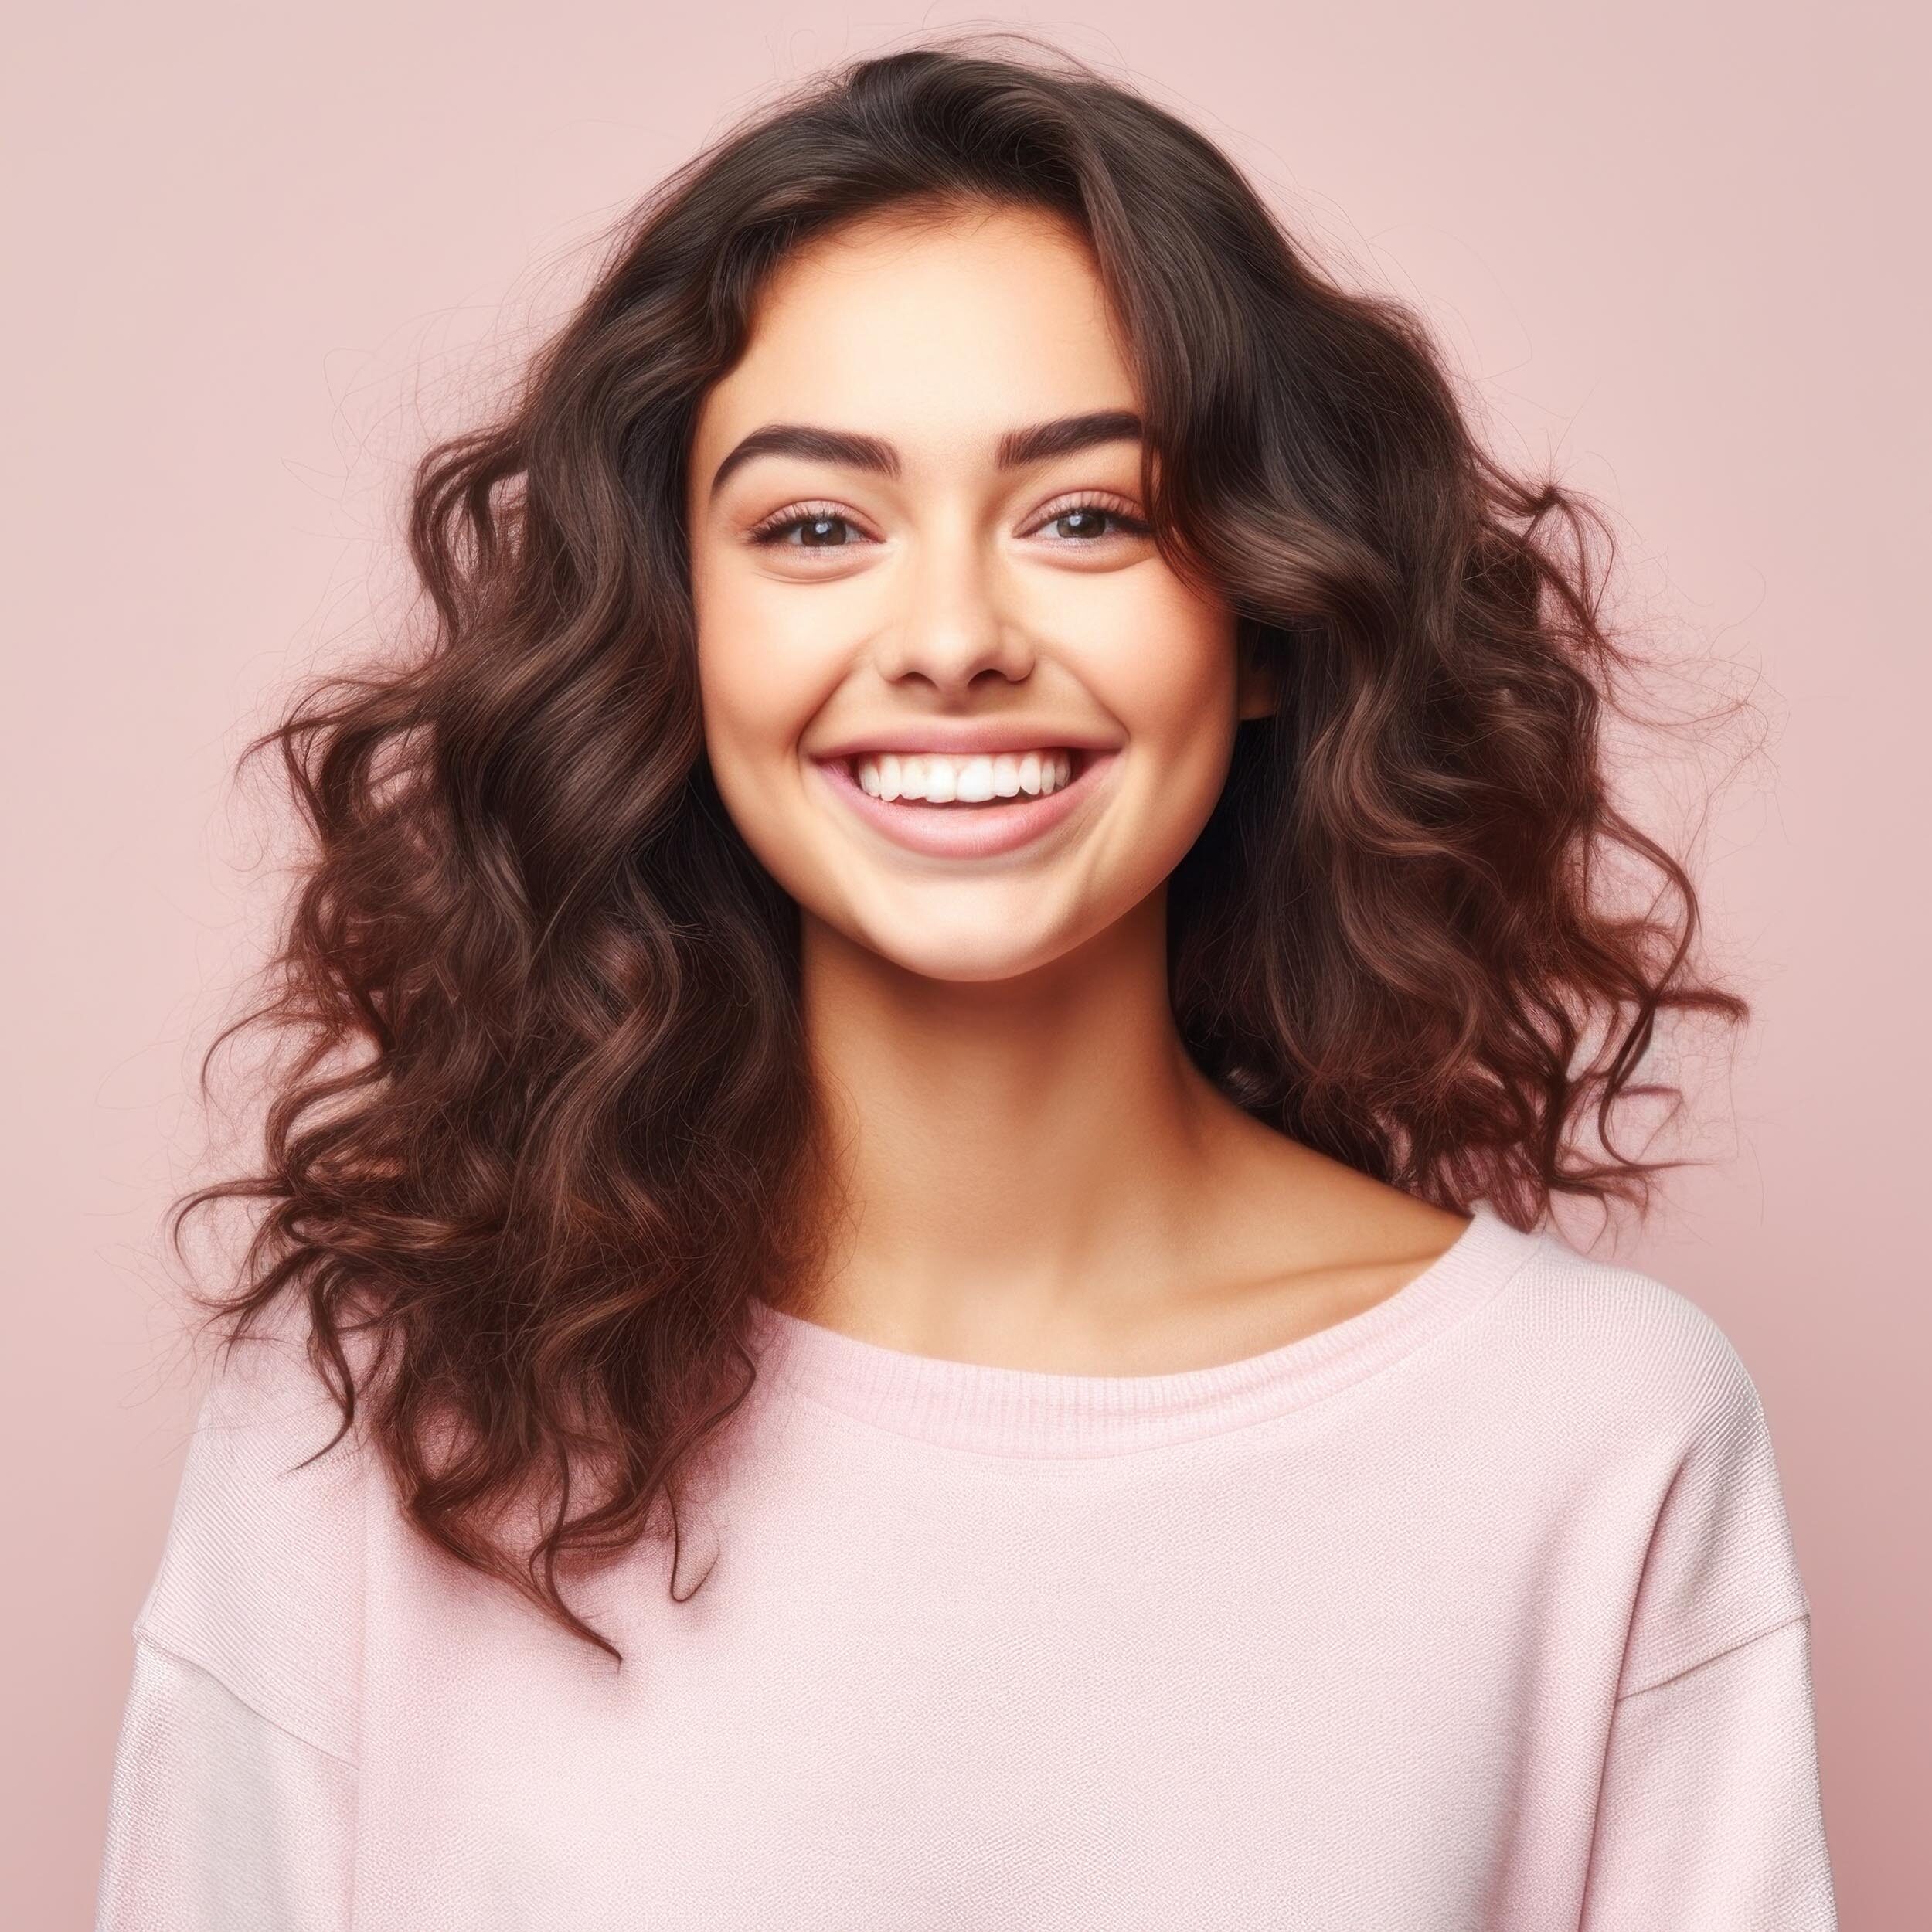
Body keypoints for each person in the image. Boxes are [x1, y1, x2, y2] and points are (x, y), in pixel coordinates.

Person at [95, 34, 1837, 1931]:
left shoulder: (1590, 1443)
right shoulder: (378, 1414)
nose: (947, 641)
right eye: (816, 527)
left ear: (1263, 613)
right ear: (676, 636)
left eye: (1084, 514)